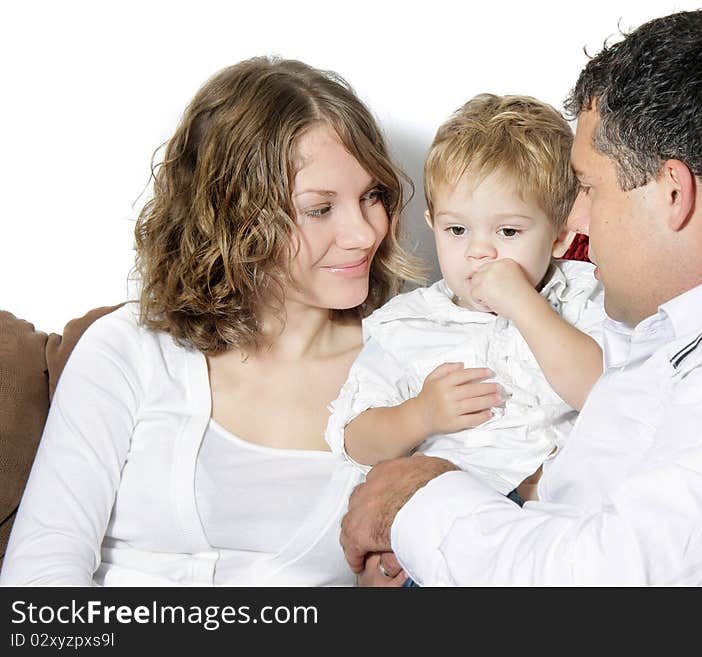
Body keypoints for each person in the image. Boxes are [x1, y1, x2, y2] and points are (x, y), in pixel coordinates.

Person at [343, 10, 702, 586]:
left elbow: (617, 583)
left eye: (590, 187)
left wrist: (415, 503)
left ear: (673, 193)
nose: (575, 219)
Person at [0, 56, 422, 586]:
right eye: (320, 208)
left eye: (371, 197)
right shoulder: (128, 350)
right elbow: (38, 583)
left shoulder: (408, 371)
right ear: (234, 214)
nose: (363, 233)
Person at [325, 94, 605, 503]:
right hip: (449, 516)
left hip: (556, 512)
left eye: (507, 232)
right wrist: (419, 415)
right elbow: (356, 441)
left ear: (561, 236)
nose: (479, 251)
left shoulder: (584, 294)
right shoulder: (409, 323)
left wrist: (527, 306)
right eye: (457, 231)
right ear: (432, 225)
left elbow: (605, 394)